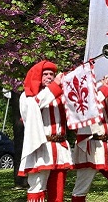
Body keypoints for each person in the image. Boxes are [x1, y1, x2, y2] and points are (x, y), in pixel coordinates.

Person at [18, 60, 73, 202]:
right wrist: (56, 86)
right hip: (40, 149)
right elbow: (35, 106)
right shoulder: (27, 96)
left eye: (52, 74)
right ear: (38, 76)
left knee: (58, 192)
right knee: (37, 187)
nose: (49, 77)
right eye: (46, 74)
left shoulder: (59, 95)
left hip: (60, 149)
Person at [71, 77, 108, 202]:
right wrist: (107, 86)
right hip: (89, 146)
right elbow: (91, 106)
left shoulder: (102, 94)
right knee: (81, 188)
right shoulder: (79, 93)